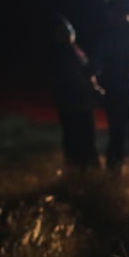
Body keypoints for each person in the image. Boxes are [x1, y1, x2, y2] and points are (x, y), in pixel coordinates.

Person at [92, 0, 129, 173]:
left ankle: (119, 172)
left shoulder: (115, 35)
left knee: (122, 134)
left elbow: (94, 64)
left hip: (123, 91)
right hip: (126, 91)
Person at [45, 14, 102, 171]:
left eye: (68, 29)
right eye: (63, 30)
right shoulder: (63, 54)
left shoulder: (73, 50)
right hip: (75, 103)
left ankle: (82, 170)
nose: (68, 32)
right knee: (79, 137)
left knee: (80, 137)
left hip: (76, 102)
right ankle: (82, 170)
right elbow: (77, 77)